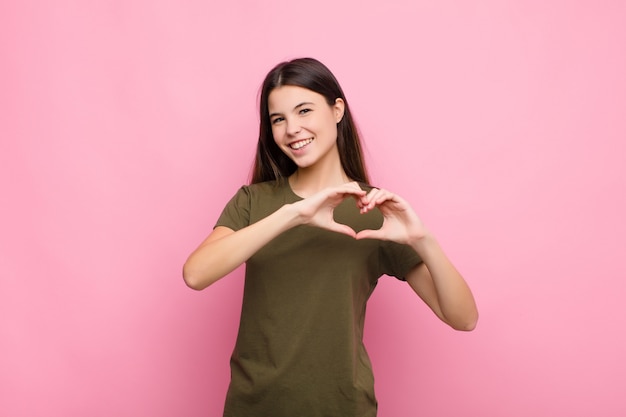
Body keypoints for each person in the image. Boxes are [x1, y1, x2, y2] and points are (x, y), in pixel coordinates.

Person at [183, 57, 478, 417]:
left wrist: (423, 240)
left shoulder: (375, 210)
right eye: (279, 119)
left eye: (304, 110)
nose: (292, 128)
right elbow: (196, 274)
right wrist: (294, 213)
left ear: (337, 109)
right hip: (254, 407)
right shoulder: (254, 201)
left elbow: (464, 318)